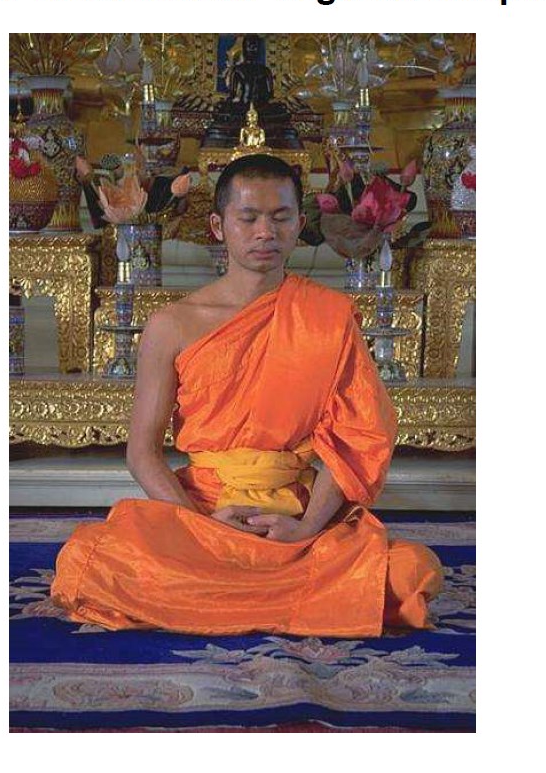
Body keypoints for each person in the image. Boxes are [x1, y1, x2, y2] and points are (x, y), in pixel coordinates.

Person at [51, 154, 443, 636]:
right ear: (218, 226)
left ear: (299, 225)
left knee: (411, 571)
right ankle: (288, 598)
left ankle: (231, 595)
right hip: (205, 510)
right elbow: (142, 452)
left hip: (293, 517)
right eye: (249, 218)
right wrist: (202, 528)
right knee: (88, 559)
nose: (265, 232)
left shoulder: (328, 317)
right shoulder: (172, 324)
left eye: (280, 218)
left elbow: (357, 437)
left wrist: (306, 528)